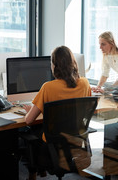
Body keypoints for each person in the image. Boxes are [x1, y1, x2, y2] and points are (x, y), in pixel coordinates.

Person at [22, 46, 92, 180]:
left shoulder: (48, 87)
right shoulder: (85, 83)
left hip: (53, 146)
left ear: (54, 65)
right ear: (73, 63)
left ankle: (33, 173)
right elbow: (86, 109)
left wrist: (29, 111)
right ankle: (39, 171)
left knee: (30, 130)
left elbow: (28, 120)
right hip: (76, 142)